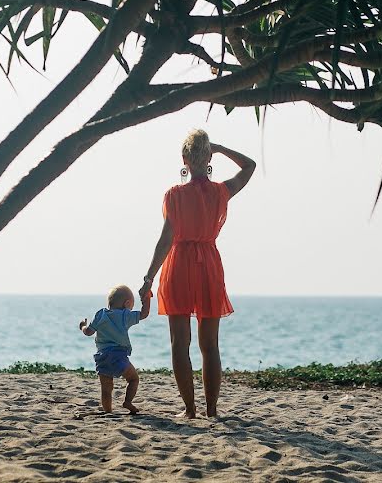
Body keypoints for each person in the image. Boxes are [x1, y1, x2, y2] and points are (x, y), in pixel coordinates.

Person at [140, 129, 255, 418]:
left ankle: (190, 409)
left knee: (180, 343)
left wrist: (149, 277)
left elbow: (166, 239)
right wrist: (222, 147)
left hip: (179, 265)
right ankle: (211, 410)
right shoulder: (221, 191)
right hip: (208, 264)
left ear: (184, 160)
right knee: (210, 344)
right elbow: (250, 165)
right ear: (209, 156)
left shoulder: (175, 195)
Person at [80, 285, 151, 413]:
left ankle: (108, 412)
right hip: (119, 357)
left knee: (106, 389)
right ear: (127, 303)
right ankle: (127, 402)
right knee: (133, 379)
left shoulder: (100, 314)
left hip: (102, 357)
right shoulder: (125, 315)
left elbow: (89, 332)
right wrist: (147, 298)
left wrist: (83, 327)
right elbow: (144, 314)